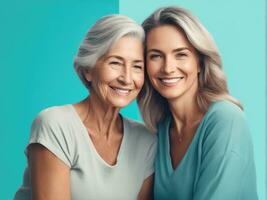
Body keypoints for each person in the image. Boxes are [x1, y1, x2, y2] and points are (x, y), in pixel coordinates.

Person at [14, 14, 156, 200]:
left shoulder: (146, 140)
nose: (127, 78)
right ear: (88, 70)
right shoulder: (56, 125)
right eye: (115, 63)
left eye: (137, 67)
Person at [137, 6, 258, 200]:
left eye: (181, 54)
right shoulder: (161, 130)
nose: (168, 68)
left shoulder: (226, 120)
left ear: (200, 62)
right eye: (156, 56)